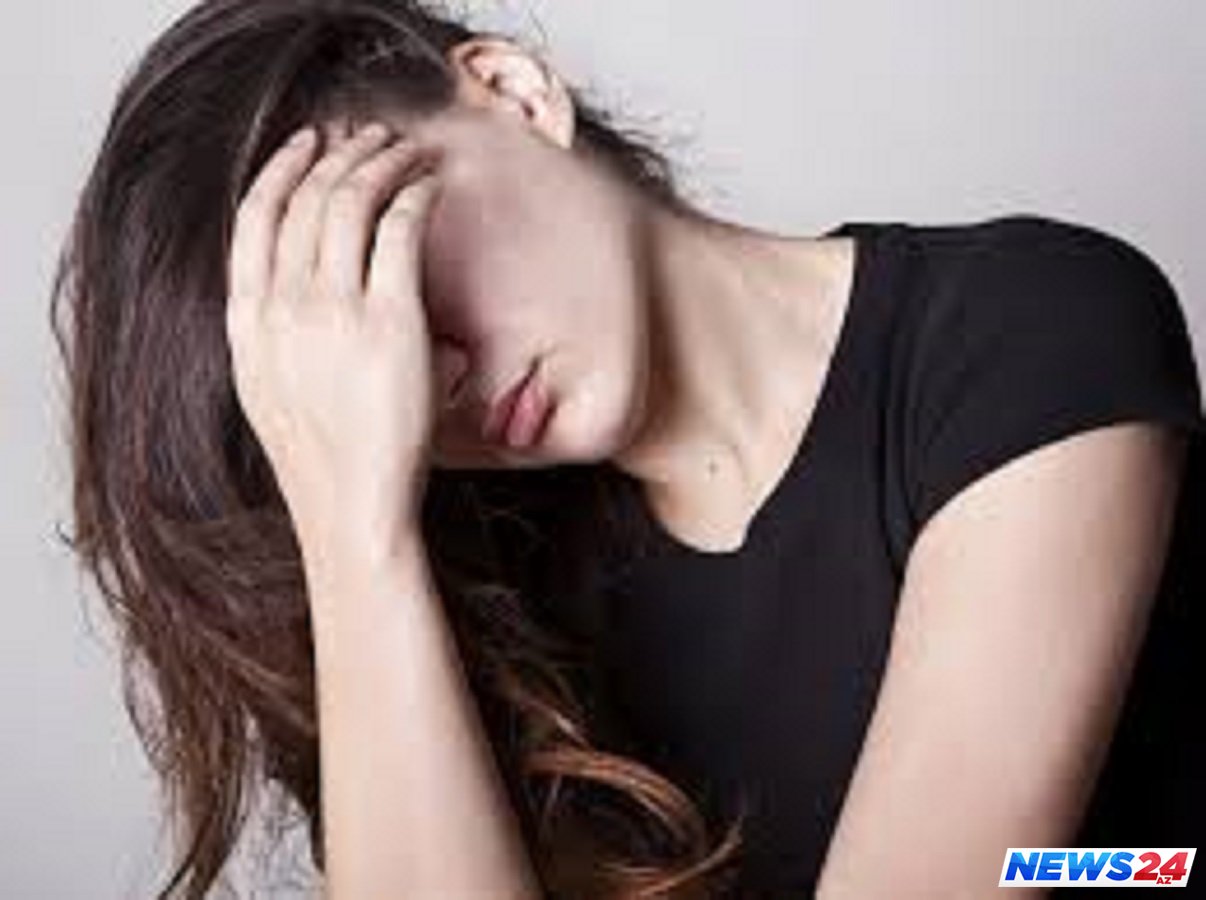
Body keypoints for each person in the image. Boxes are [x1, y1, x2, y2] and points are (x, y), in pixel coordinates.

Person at [49, 0, 1205, 897]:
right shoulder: (472, 604)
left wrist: (1131, 871)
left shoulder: (1019, 328)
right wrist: (358, 540)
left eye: (394, 279)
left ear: (512, 94)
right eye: (353, 360)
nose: (429, 378)